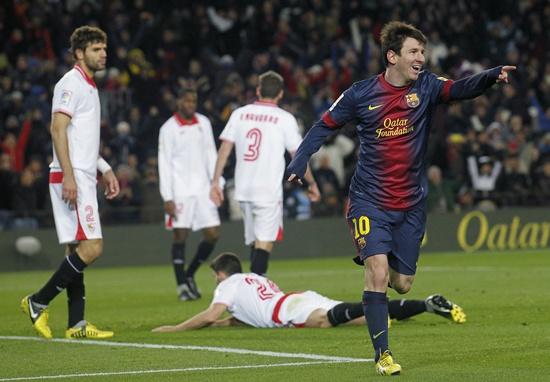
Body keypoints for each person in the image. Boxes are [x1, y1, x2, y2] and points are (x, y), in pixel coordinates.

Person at [286, 21, 515, 376]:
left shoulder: (426, 86)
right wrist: (300, 160)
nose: (421, 58)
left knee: (401, 282)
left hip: (410, 204)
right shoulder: (360, 94)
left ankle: (380, 258)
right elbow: (324, 126)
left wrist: (489, 75)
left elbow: (460, 89)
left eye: (422, 52)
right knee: (376, 272)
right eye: (414, 52)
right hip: (368, 200)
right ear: (392, 56)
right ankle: (383, 355)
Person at [20, 26, 120, 339]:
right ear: (79, 53)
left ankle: (76, 324)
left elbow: (83, 139)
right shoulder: (71, 83)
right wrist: (70, 176)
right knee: (92, 247)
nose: (103, 53)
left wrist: (105, 167)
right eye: (96, 49)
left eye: (104, 48)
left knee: (76, 249)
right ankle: (38, 300)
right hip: (72, 175)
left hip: (81, 172)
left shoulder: (89, 86)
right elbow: (58, 129)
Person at [152, 252, 466, 332]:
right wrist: (219, 325)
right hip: (297, 298)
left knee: (328, 320)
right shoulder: (253, 279)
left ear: (221, 273)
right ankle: (426, 304)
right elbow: (237, 319)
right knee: (369, 319)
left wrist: (174, 328)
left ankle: (412, 303)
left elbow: (211, 314)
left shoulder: (227, 285)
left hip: (290, 311)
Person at [210, 71, 320, 276]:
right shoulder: (285, 119)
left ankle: (255, 282)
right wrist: (312, 184)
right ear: (280, 94)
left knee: (255, 240)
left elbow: (224, 148)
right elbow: (298, 156)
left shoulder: (240, 114)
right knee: (264, 243)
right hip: (267, 190)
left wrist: (215, 181)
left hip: (242, 190)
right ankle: (255, 287)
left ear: (259, 90)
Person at [158, 88, 221, 301]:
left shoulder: (203, 123)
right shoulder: (168, 128)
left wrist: (216, 183)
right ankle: (181, 287)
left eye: (194, 101)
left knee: (213, 234)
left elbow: (211, 154)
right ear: (178, 102)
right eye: (187, 101)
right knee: (180, 236)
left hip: (204, 189)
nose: (191, 105)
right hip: (180, 190)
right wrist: (167, 196)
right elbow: (164, 163)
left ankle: (189, 274)